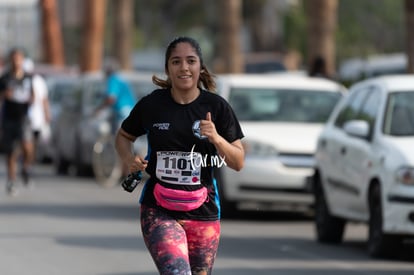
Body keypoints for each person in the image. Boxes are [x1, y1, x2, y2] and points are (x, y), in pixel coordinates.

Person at [115, 36, 245, 275]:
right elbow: (123, 136)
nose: (184, 67)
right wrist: (129, 160)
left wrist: (216, 138)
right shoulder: (152, 105)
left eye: (190, 61)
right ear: (168, 69)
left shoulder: (217, 107)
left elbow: (238, 161)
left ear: (200, 67)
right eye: (176, 62)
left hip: (203, 212)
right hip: (159, 208)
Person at [0, 48, 35, 195]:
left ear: (22, 60)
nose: (16, 61)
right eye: (14, 58)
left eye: (19, 58)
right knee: (11, 152)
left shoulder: (28, 77)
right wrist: (4, 94)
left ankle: (25, 168)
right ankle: (11, 180)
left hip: (24, 118)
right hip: (9, 118)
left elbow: (33, 96)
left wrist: (31, 100)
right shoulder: (5, 78)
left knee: (27, 147)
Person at [95, 59, 136, 131]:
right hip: (129, 111)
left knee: (121, 137)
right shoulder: (119, 78)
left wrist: (99, 109)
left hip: (124, 111)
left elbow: (111, 99)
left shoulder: (113, 80)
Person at [24, 58, 52, 161]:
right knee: (25, 140)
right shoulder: (21, 80)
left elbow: (44, 99)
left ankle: (30, 161)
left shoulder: (39, 81)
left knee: (34, 140)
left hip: (36, 117)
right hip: (23, 116)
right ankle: (26, 160)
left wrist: (47, 113)